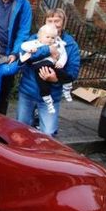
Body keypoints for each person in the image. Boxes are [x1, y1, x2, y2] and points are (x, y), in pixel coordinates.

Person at [17, 8, 80, 136]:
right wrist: (48, 50)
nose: (53, 24)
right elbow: (24, 57)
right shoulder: (35, 38)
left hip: (52, 94)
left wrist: (55, 79)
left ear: (64, 22)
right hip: (28, 92)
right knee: (22, 128)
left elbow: (73, 72)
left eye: (57, 21)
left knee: (48, 133)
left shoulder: (70, 45)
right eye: (49, 20)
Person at [20, 23, 74, 114]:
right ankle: (49, 103)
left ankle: (67, 88)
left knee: (64, 75)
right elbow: (23, 46)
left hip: (52, 65)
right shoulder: (35, 43)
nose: (50, 40)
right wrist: (31, 49)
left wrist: (60, 62)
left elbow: (63, 55)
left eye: (53, 38)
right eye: (47, 37)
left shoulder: (58, 45)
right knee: (43, 86)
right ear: (40, 37)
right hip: (38, 68)